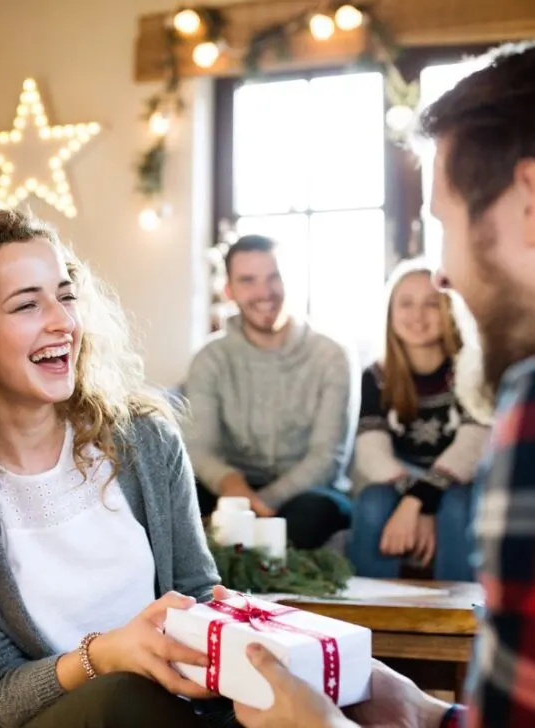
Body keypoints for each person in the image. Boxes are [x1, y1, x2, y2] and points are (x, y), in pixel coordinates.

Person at [231, 40, 535, 728]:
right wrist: (431, 716)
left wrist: (322, 726)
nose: (446, 278)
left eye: (446, 225)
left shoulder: (526, 405)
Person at [0, 209, 240, 728]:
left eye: (66, 296)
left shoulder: (145, 439)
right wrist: (105, 656)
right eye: (27, 304)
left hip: (178, 710)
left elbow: (198, 595)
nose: (63, 321)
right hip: (47, 719)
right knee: (124, 699)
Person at [183, 234, 355, 550]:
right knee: (179, 495)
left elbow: (326, 458)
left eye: (274, 277)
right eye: (248, 280)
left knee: (313, 512)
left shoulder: (332, 356)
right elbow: (201, 450)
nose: (265, 292)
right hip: (232, 486)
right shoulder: (209, 359)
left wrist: (258, 505)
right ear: (229, 291)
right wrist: (233, 487)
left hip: (307, 492)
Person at [348, 259, 489, 582]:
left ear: (450, 310)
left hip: (458, 483)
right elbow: (372, 454)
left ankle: (460, 618)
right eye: (406, 304)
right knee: (372, 501)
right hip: (397, 480)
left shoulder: (472, 368)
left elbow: (472, 446)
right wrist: (416, 499)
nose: (417, 315)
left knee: (455, 504)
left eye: (431, 304)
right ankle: (370, 614)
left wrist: (420, 501)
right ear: (390, 312)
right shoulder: (376, 376)